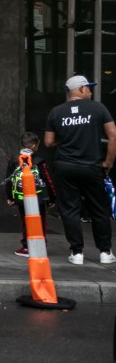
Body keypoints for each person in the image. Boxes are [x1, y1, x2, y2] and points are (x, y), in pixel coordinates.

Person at [43, 74, 116, 265]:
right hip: (92, 166)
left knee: (69, 209)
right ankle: (105, 252)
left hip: (65, 166)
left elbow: (49, 142)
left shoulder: (56, 112)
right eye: (89, 87)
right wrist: (108, 163)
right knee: (99, 209)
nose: (90, 91)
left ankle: (77, 252)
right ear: (81, 89)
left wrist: (66, 139)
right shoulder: (98, 108)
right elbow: (113, 135)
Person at [5, 131, 56, 257]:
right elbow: (47, 180)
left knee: (25, 221)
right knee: (40, 221)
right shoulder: (38, 160)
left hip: (21, 197)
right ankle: (41, 245)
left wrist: (10, 197)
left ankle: (27, 247)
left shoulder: (14, 160)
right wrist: (52, 198)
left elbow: (9, 179)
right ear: (34, 145)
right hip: (38, 198)